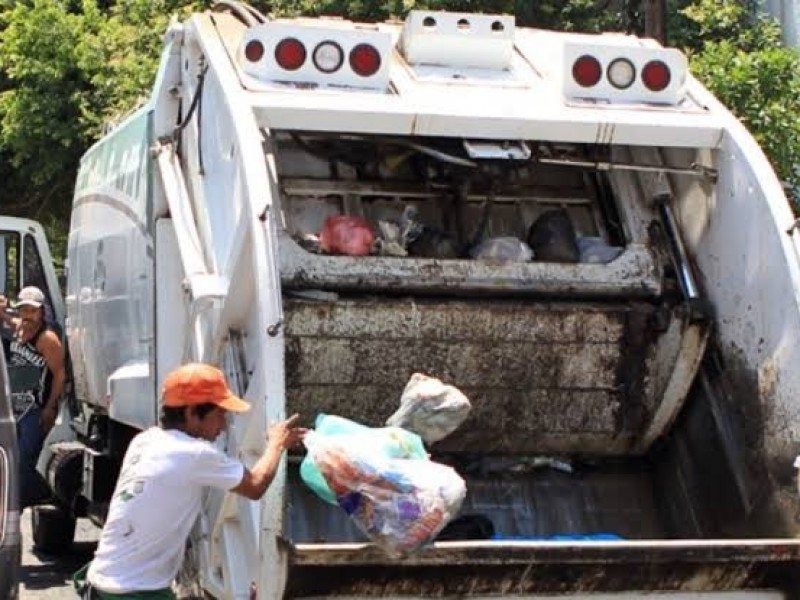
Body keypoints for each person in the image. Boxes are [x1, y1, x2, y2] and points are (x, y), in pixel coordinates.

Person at [82, 362, 306, 599]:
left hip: (103, 581)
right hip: (135, 591)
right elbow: (256, 485)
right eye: (219, 414)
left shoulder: (145, 441)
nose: (223, 424)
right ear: (191, 413)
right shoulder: (194, 453)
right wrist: (277, 444)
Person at [0, 286, 66, 508]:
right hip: (15, 408)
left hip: (35, 409)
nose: (27, 314)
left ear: (41, 312)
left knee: (24, 462)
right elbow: (9, 319)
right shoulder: (19, 328)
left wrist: (50, 407)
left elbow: (59, 374)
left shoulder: (47, 338)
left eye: (32, 310)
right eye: (23, 309)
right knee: (9, 460)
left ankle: (33, 499)